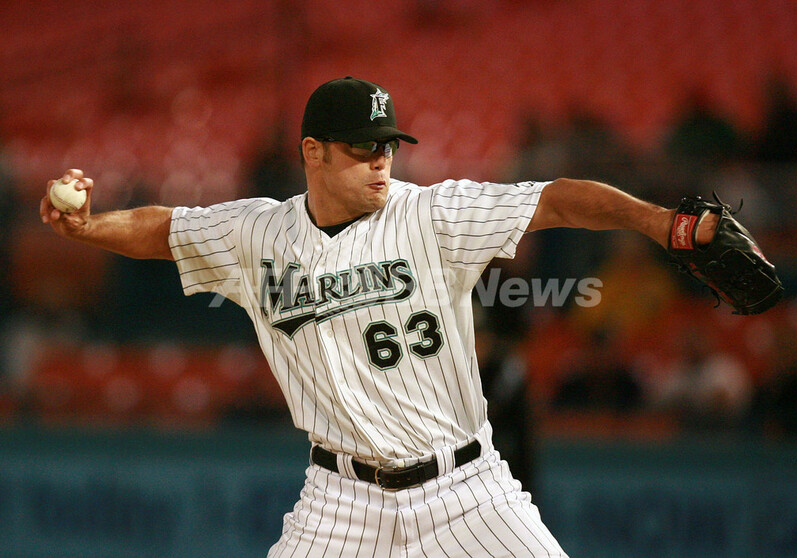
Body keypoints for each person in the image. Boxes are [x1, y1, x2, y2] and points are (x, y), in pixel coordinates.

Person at [41, 76, 718, 558]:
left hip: (464, 490)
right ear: (313, 152)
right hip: (339, 501)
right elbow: (163, 229)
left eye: (388, 145)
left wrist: (663, 224)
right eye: (363, 148)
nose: (382, 161)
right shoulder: (257, 235)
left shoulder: (430, 215)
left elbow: (558, 199)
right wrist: (88, 227)